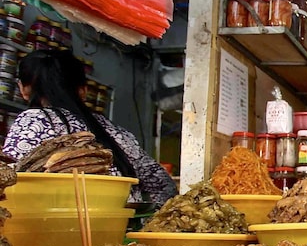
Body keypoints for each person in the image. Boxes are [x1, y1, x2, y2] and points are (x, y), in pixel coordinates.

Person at [3, 49, 178, 208]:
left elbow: (8, 180)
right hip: (116, 230)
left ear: (24, 89)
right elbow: (163, 185)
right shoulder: (115, 132)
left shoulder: (33, 120)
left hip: (57, 230)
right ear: (83, 91)